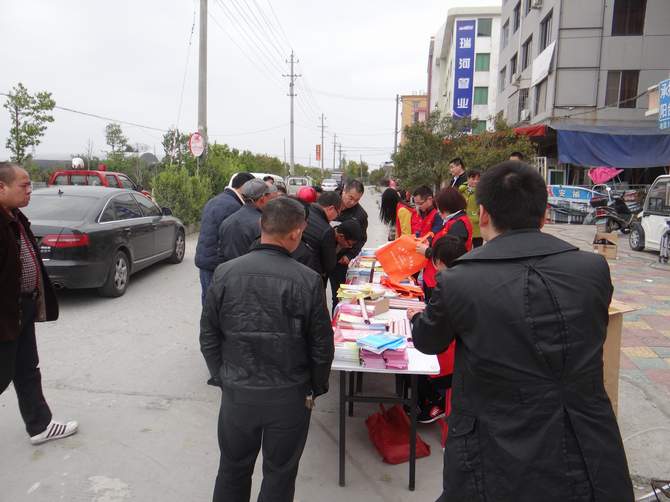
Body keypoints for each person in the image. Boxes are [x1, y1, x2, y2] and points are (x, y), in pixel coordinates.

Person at [409, 161, 633, 501]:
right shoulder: (592, 269)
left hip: (494, 449)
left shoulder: (459, 280)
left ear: (483, 215)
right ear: (544, 215)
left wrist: (417, 318)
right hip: (585, 447)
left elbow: (428, 340)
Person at [200, 197, 334, 502]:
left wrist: (222, 376)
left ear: (262, 224)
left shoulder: (225, 272)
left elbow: (208, 334)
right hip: (288, 395)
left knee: (233, 469)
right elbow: (321, 346)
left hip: (238, 392)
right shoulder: (308, 280)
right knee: (280, 475)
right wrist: (315, 387)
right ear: (296, 232)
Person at [0, 162, 78, 445]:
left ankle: (40, 426)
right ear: (1, 187)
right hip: (5, 315)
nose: (30, 190)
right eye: (24, 185)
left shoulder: (15, 216)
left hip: (21, 309)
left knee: (27, 369)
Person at [413, 235, 467, 424]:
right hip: (466, 354)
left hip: (450, 360)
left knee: (415, 360)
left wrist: (416, 318)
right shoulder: (470, 278)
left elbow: (432, 329)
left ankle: (436, 402)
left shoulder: (446, 285)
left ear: (437, 262)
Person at [196, 171, 255, 304]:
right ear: (244, 187)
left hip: (205, 260)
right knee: (220, 305)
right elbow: (231, 242)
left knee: (208, 302)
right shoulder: (234, 207)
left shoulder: (215, 200)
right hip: (217, 265)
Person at [417, 187, 472, 300]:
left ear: (447, 206)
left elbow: (450, 255)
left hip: (442, 280)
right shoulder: (451, 221)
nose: (438, 211)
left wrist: (427, 251)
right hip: (434, 277)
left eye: (439, 207)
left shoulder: (458, 225)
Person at [217, 179, 278, 264]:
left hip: (229, 270)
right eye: (270, 198)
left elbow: (220, 255)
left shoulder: (227, 222)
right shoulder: (263, 224)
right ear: (262, 199)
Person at [329, 180, 367, 310]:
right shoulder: (329, 201)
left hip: (340, 260)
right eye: (351, 198)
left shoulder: (360, 215)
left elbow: (361, 239)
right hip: (321, 255)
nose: (352, 202)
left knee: (338, 296)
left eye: (357, 200)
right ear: (344, 191)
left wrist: (349, 255)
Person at [301, 191, 341, 283]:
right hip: (311, 278)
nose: (335, 218)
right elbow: (329, 265)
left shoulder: (302, 210)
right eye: (337, 214)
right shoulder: (326, 230)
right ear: (331, 208)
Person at [459, 169, 483, 247]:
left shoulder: (482, 192)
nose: (476, 181)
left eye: (478, 179)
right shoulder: (461, 191)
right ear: (468, 179)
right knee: (464, 247)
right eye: (473, 179)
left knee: (478, 248)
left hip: (477, 225)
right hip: (464, 223)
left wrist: (478, 216)